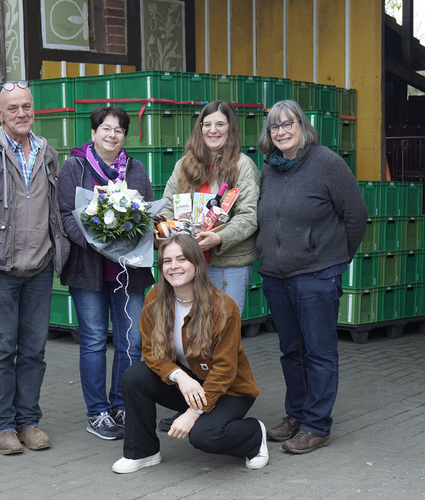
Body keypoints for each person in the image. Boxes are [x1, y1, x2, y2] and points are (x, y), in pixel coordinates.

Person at [0, 80, 70, 455]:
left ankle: (29, 422)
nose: (22, 113)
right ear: (0, 114)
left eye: (26, 106)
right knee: (3, 350)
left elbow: (54, 209)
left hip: (39, 267)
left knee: (34, 350)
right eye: (13, 108)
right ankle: (4, 425)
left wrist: (59, 251)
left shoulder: (47, 153)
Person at [255, 100, 368, 454]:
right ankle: (297, 415)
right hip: (276, 276)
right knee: (292, 351)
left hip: (316, 276)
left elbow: (356, 215)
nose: (281, 132)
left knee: (319, 352)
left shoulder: (327, 163)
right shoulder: (270, 168)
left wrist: (334, 259)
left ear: (302, 125)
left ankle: (317, 426)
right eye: (274, 127)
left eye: (288, 124)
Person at [112, 233, 268, 473]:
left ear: (197, 264)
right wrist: (180, 376)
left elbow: (225, 369)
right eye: (167, 261)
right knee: (135, 377)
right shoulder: (155, 298)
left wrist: (193, 413)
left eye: (182, 259)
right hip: (190, 384)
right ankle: (143, 452)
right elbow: (151, 351)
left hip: (229, 390)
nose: (173, 266)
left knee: (204, 435)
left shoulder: (223, 306)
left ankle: (254, 435)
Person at [159, 100, 260, 431]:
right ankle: (193, 403)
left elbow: (249, 216)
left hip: (226, 264)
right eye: (207, 124)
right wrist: (161, 227)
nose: (213, 130)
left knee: (220, 339)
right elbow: (167, 205)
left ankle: (218, 407)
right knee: (189, 338)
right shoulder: (185, 164)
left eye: (220, 124)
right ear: (199, 129)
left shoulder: (243, 166)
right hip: (188, 266)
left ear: (230, 129)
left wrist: (220, 237)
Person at [58, 107, 155, 440]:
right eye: (106, 128)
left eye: (119, 130)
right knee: (94, 341)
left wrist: (132, 233)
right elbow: (65, 214)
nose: (112, 135)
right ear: (94, 132)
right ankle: (97, 412)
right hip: (87, 269)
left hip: (129, 271)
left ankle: (122, 405)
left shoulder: (136, 168)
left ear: (125, 136)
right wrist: (95, 241)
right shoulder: (75, 166)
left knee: (132, 342)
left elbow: (146, 210)